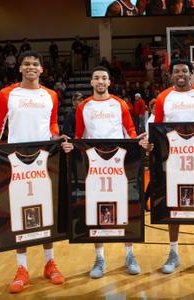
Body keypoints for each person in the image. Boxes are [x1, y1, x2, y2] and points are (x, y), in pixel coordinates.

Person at [0, 51, 65, 293]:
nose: (31, 67)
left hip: (44, 159)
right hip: (15, 160)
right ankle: (22, 268)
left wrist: (56, 136)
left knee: (46, 210)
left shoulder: (51, 95)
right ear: (20, 68)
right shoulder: (7, 94)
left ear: (42, 70)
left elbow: (52, 123)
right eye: (26, 64)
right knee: (20, 213)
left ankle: (50, 263)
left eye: (35, 64)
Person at [61, 66, 152, 279]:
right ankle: (99, 257)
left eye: (104, 78)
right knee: (96, 210)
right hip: (94, 166)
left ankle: (129, 254)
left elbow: (129, 130)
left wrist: (137, 141)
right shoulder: (83, 106)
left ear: (109, 82)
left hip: (118, 164)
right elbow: (78, 135)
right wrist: (71, 147)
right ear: (91, 83)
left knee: (123, 208)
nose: (100, 81)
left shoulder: (120, 103)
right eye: (96, 78)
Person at [153, 59, 194, 274]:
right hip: (173, 159)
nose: (181, 74)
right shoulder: (163, 97)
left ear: (192, 74)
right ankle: (173, 253)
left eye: (185, 71)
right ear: (171, 76)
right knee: (174, 206)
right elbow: (159, 129)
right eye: (176, 71)